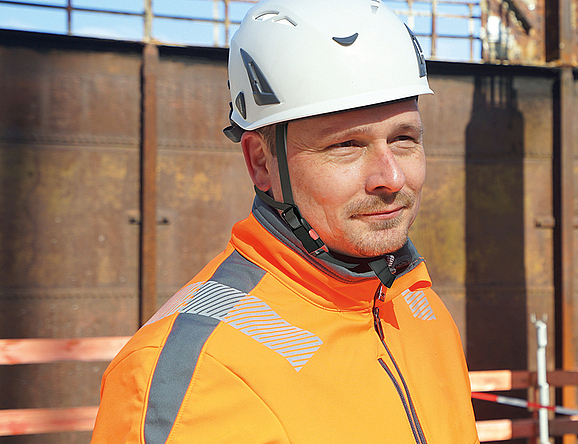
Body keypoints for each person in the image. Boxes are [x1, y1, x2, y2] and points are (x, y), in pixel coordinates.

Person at [91, 0, 479, 443]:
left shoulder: (418, 308)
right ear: (261, 162)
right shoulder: (193, 378)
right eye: (346, 146)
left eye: (404, 139)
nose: (391, 178)